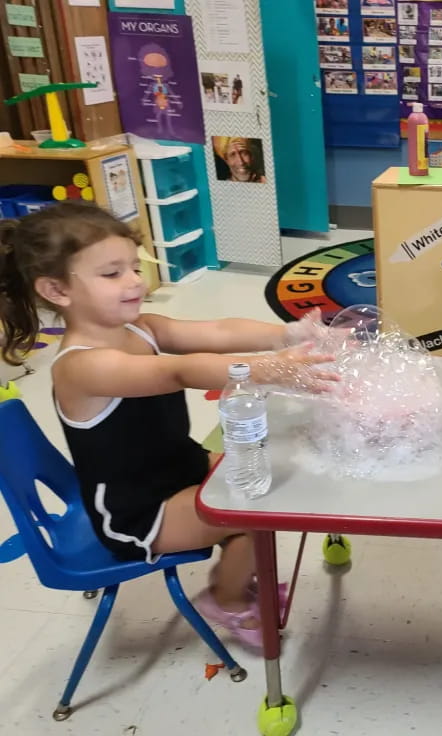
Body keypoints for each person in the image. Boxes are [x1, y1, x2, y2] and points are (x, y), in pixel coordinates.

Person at [0, 202, 338, 650]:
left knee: (273, 479)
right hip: (137, 512)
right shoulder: (82, 367)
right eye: (112, 273)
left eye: (133, 266)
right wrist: (269, 368)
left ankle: (236, 571)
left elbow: (216, 331)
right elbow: (182, 371)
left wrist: (286, 336)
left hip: (178, 467)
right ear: (57, 290)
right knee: (258, 520)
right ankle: (227, 598)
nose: (135, 280)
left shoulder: (140, 328)